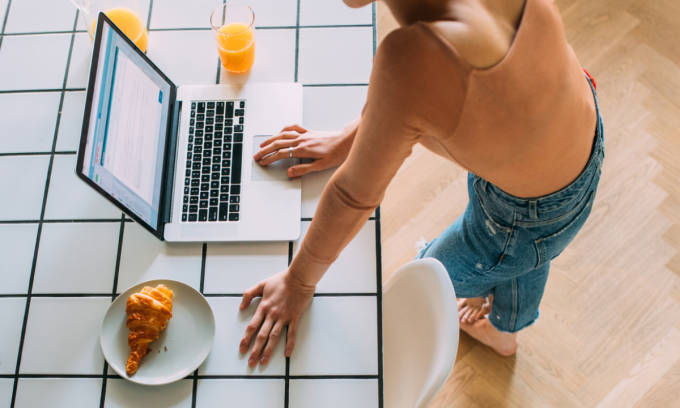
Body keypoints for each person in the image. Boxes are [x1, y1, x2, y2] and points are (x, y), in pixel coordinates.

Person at [238, 0, 603, 365]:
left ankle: (503, 328)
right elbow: (425, 98)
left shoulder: (414, 59)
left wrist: (297, 283)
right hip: (578, 138)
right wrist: (352, 140)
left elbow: (353, 197)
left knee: (427, 277)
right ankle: (507, 325)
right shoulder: (435, 50)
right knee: (530, 253)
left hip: (524, 214)